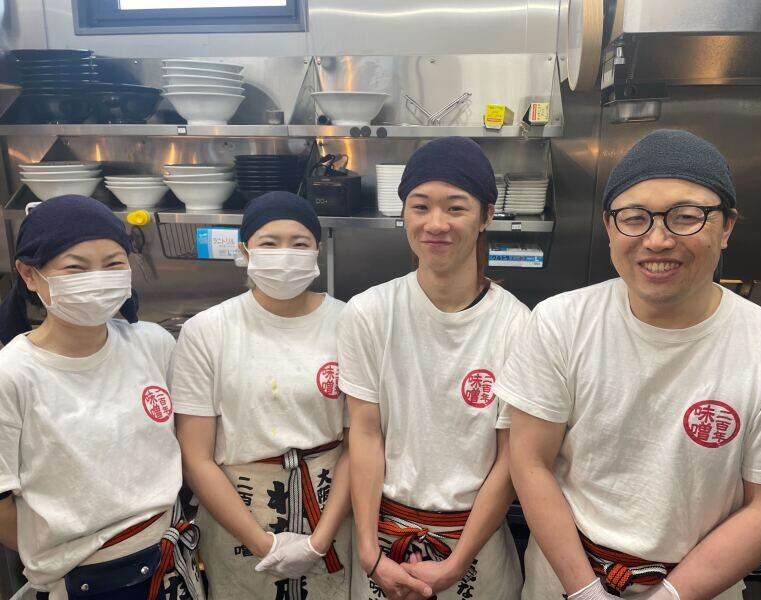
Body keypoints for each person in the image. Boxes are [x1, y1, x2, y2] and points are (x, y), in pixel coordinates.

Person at [496, 129, 761, 600]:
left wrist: (671, 596)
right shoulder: (560, 322)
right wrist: (584, 591)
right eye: (634, 218)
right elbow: (530, 461)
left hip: (700, 586)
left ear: (727, 227)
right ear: (610, 226)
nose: (657, 240)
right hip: (564, 581)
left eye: (686, 217)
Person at [339, 137, 525, 600]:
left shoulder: (519, 325)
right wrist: (368, 551)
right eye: (420, 206)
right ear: (403, 213)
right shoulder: (369, 313)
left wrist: (456, 564)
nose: (435, 224)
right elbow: (364, 433)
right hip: (384, 546)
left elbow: (511, 458)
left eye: (456, 208)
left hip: (477, 548)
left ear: (486, 216)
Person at [0, 195, 203, 600]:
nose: (98, 277)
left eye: (113, 263)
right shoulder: (12, 374)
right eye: (75, 268)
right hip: (79, 579)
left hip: (168, 559)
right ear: (29, 274)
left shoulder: (153, 344)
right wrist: (64, 553)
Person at [169, 191, 351, 600]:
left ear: (317, 251)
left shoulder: (348, 322)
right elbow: (196, 456)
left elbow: (359, 442)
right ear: (244, 251)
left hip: (331, 507)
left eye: (299, 243)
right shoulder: (208, 330)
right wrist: (260, 542)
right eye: (270, 243)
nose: (285, 254)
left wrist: (320, 540)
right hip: (240, 511)